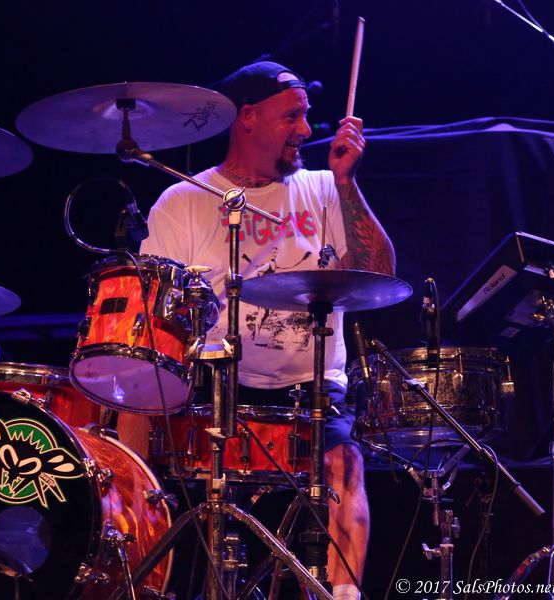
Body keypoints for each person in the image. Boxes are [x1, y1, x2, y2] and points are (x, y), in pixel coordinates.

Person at [117, 60, 395, 600]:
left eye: (307, 116)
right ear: (247, 117)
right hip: (214, 386)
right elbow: (155, 321)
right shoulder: (184, 201)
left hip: (310, 390)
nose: (306, 130)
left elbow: (379, 273)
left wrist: (346, 181)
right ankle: (135, 569)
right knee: (139, 394)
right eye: (291, 117)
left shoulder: (325, 189)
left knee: (346, 466)